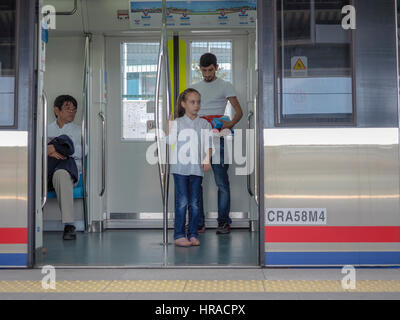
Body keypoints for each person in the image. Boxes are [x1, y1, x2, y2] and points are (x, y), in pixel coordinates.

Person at [192, 53, 243, 235]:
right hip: (198, 140)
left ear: (216, 68)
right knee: (195, 183)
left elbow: (239, 112)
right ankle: (198, 223)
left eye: (210, 70)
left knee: (221, 183)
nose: (207, 74)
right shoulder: (194, 87)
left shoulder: (225, 85)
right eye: (204, 70)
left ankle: (223, 222)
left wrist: (227, 125)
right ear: (200, 69)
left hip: (218, 140)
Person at [166, 88, 213, 247]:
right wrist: (169, 125)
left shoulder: (204, 123)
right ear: (184, 104)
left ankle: (192, 234)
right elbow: (169, 141)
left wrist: (207, 158)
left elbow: (209, 144)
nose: (196, 105)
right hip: (180, 169)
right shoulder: (178, 123)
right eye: (192, 102)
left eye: (198, 102)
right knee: (182, 202)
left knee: (194, 203)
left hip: (196, 170)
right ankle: (179, 235)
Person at [47, 95, 83, 240]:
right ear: (57, 110)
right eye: (68, 109)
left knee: (62, 174)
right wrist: (46, 149)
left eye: (74, 110)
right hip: (47, 170)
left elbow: (84, 150)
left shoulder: (78, 130)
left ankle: (69, 224)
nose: (72, 112)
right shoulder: (46, 129)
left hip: (67, 170)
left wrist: (58, 149)